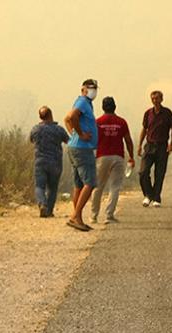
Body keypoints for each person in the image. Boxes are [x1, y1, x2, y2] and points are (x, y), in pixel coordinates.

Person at [91, 96, 135, 224]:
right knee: (115, 186)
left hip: (102, 156)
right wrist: (131, 156)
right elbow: (128, 140)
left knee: (98, 186)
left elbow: (93, 140)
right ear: (115, 106)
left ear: (103, 107)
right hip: (118, 157)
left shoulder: (97, 122)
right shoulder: (121, 122)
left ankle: (94, 216)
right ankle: (109, 215)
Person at [63, 79, 99, 231]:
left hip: (76, 147)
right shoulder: (82, 102)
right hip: (82, 148)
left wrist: (73, 133)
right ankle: (75, 216)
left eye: (95, 88)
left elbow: (66, 119)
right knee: (89, 183)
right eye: (90, 88)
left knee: (78, 185)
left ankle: (77, 217)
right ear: (83, 89)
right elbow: (71, 117)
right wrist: (80, 134)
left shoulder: (85, 103)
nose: (93, 91)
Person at [138, 90, 172, 208]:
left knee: (159, 173)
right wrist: (139, 145)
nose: (155, 101)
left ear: (161, 99)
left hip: (162, 146)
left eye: (157, 98)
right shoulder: (148, 113)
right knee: (143, 172)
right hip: (149, 145)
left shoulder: (167, 113)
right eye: (153, 99)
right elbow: (144, 129)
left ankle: (156, 197)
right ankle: (148, 195)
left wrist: (171, 143)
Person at [29, 106, 70, 218]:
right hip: (55, 162)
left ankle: (42, 204)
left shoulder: (35, 129)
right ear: (51, 115)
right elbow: (68, 141)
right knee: (52, 188)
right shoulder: (58, 129)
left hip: (40, 162)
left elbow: (31, 140)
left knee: (39, 186)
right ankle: (49, 211)